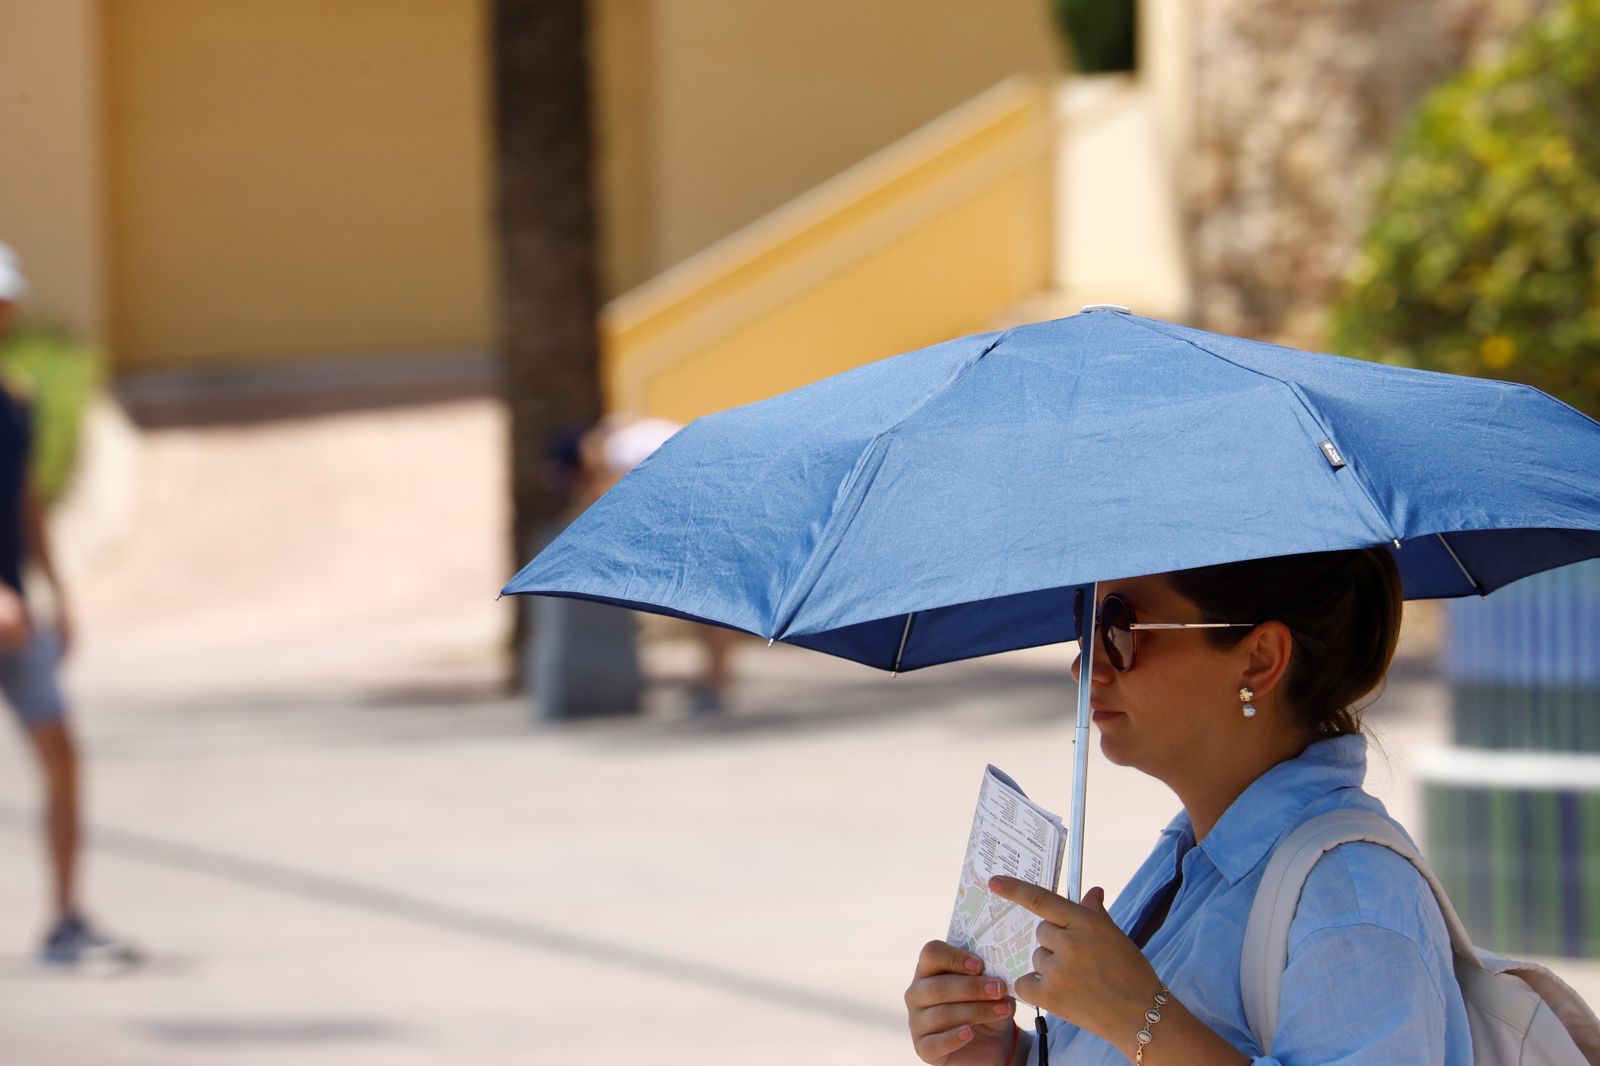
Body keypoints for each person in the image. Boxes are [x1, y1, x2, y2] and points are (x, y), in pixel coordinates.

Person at [905, 548, 1471, 1064]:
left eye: (1122, 628)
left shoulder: (1352, 895)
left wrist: (1140, 1018)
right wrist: (1001, 1050)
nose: (1087, 667)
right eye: (1087, 623)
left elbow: (1141, 1028)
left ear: (1259, 660)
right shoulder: (1194, 849)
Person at [0, 242, 138, 971]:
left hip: (19, 620)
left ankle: (64, 918)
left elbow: (25, 500)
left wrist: (57, 592)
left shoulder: (13, 398)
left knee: (61, 757)